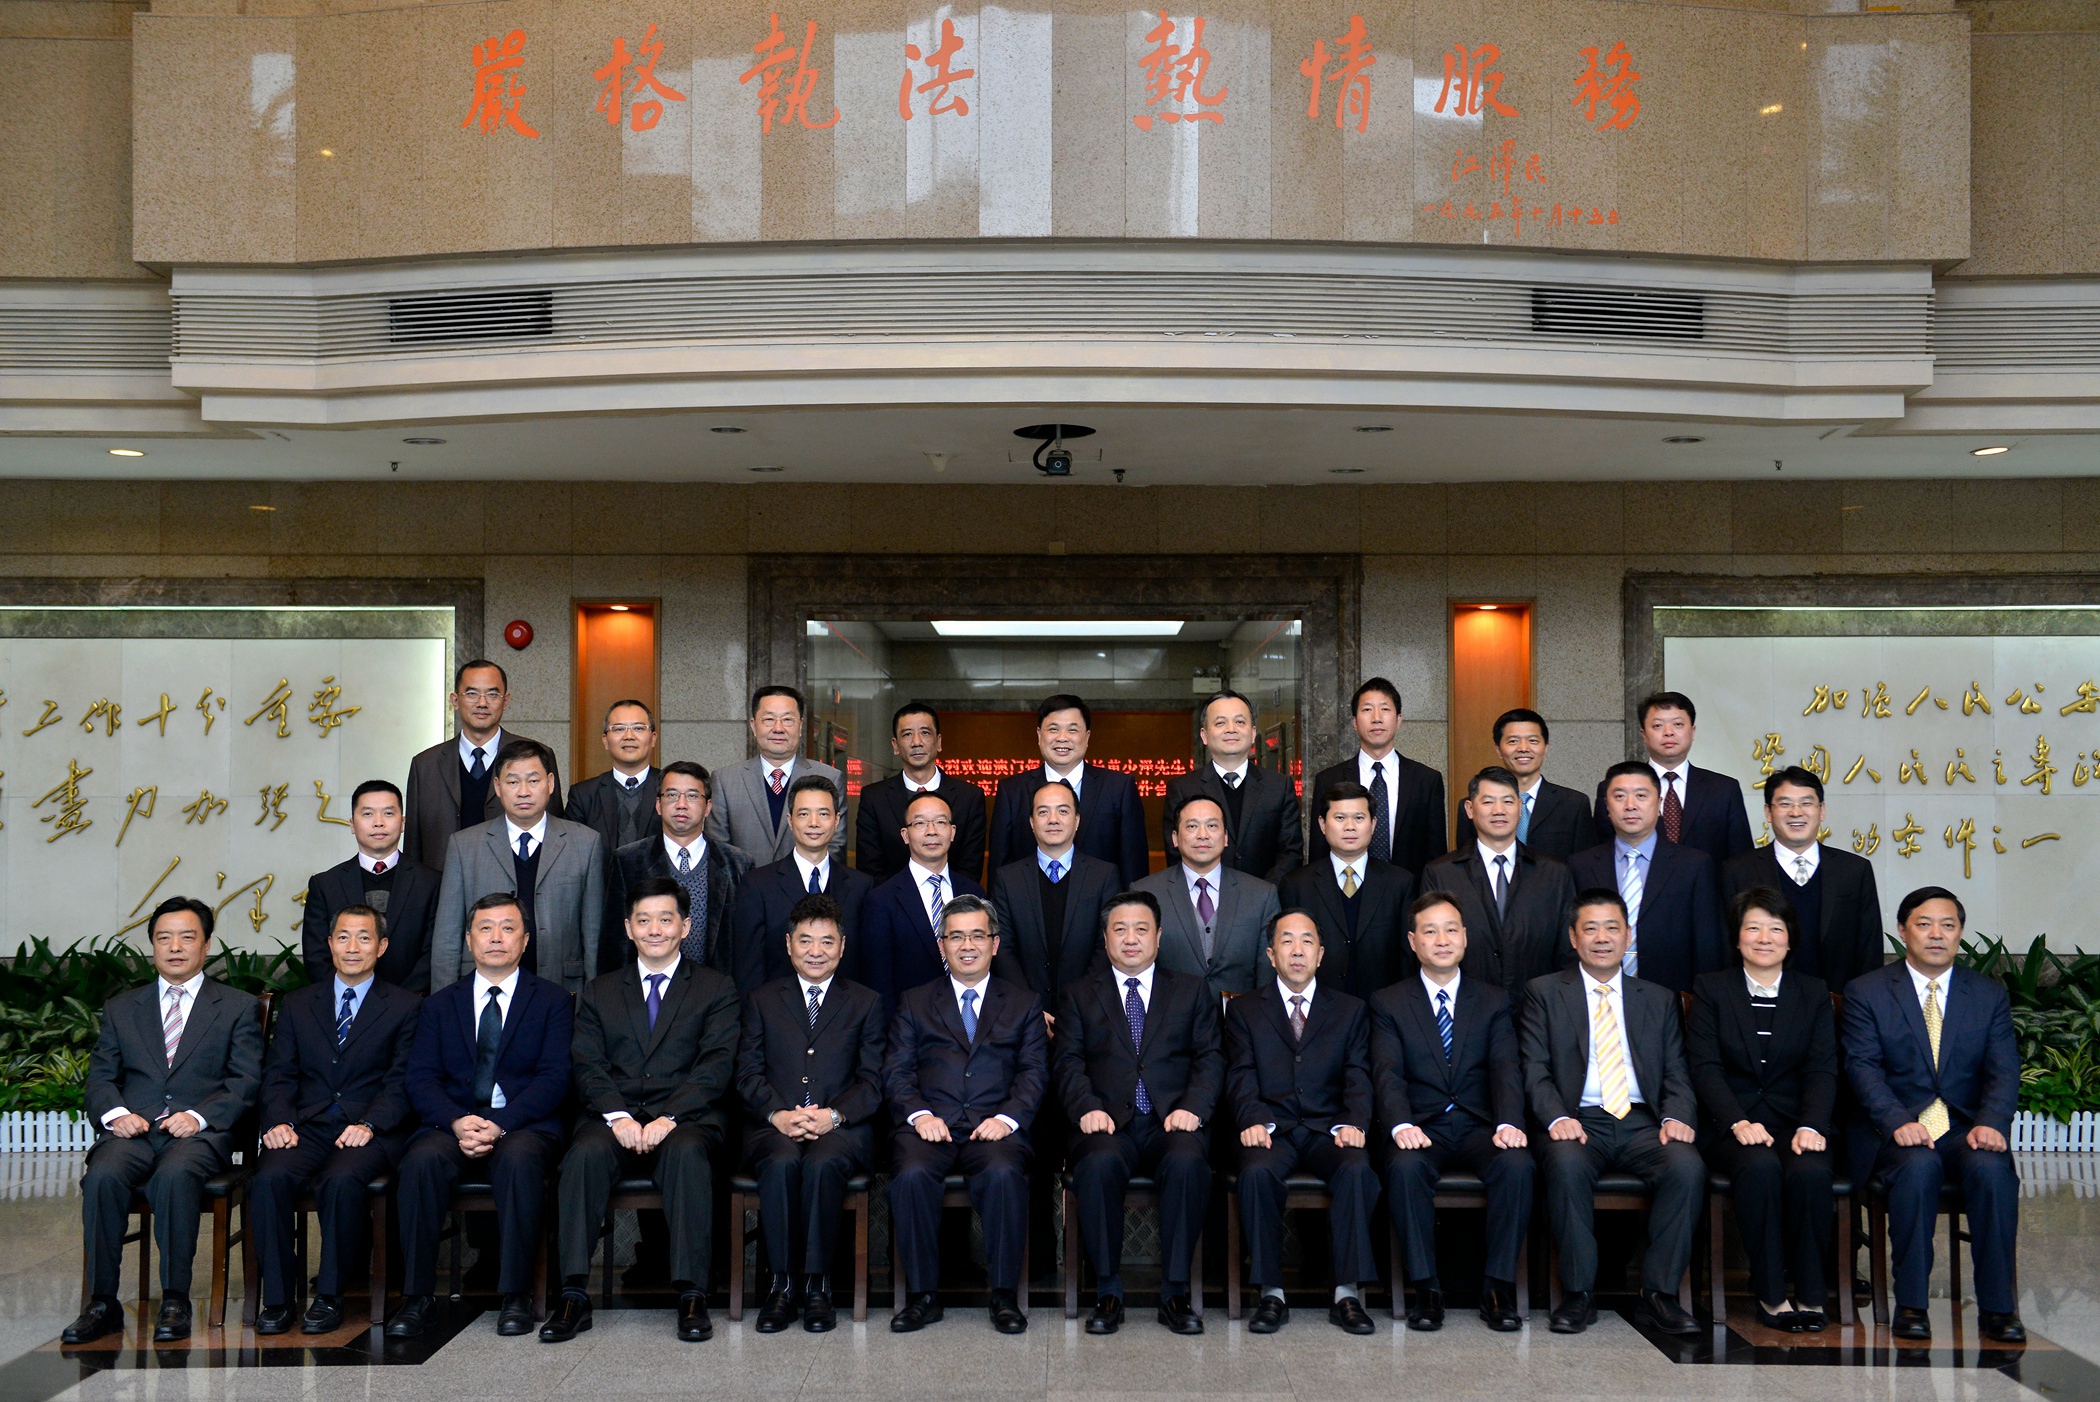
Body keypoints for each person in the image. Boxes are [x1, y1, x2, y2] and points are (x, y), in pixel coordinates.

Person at [540, 877, 740, 1344]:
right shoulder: (600, 990)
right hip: (615, 1117)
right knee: (583, 1156)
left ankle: (692, 1294)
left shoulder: (715, 988)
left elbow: (716, 1065)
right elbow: (587, 1063)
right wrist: (619, 1116)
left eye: (665, 919)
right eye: (643, 920)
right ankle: (573, 1294)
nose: (654, 929)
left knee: (688, 1154)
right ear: (628, 928)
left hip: (687, 1118)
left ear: (685, 926)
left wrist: (670, 1117)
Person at [66, 898, 264, 1345]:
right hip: (133, 1134)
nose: (175, 947)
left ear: (206, 945)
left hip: (197, 1137)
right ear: (152, 945)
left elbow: (246, 1080)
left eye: (187, 937)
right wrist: (117, 1115)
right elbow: (101, 1078)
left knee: (174, 1177)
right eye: (164, 938)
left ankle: (176, 1299)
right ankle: (102, 1303)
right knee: (102, 1177)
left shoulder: (236, 1006)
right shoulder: (122, 1008)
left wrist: (199, 1116)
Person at [1520, 889, 1704, 1337]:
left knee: (1687, 1167)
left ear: (1628, 935)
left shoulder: (1657, 998)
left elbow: (1677, 1071)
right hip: (1578, 1119)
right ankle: (1578, 1293)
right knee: (1565, 1165)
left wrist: (1676, 1116)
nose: (1602, 938)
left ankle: (1659, 1295)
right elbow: (1534, 1069)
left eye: (1612, 928)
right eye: (1591, 928)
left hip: (1643, 1122)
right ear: (1573, 937)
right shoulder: (1544, 993)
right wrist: (1556, 1118)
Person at [388, 894, 573, 1340]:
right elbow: (421, 1078)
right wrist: (456, 1121)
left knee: (519, 1161)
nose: (496, 938)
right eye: (485, 928)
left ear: (525, 941)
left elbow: (555, 1077)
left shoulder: (552, 1001)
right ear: (469, 940)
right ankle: (417, 1298)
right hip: (452, 1122)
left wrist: (502, 1122)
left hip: (522, 1124)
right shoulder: (438, 1004)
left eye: (508, 928)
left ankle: (516, 1295)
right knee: (421, 1162)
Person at [1842, 886, 2023, 1343]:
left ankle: (1999, 1308)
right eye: (1924, 925)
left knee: (1992, 1171)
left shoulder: (1987, 994)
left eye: (1948, 925)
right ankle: (1911, 1304)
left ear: (1960, 933)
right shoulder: (1867, 991)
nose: (1937, 935)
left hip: (1963, 1128)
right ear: (1903, 931)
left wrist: (1991, 1123)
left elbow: (2004, 1069)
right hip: (1893, 1130)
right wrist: (1897, 1121)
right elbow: (1862, 1067)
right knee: (1919, 1167)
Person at [1056, 891, 1221, 1337]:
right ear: (1105, 937)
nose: (1131, 939)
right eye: (1120, 929)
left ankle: (1175, 1293)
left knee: (1187, 1162)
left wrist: (1194, 1107)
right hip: (1106, 1123)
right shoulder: (1078, 994)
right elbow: (1067, 1062)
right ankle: (1108, 1291)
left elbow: (1210, 1058)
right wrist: (1086, 1107)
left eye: (1141, 929)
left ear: (1159, 936)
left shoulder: (1191, 990)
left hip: (1172, 1122)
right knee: (1098, 1163)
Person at [249, 905, 420, 1335]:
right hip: (307, 1125)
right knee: (268, 1179)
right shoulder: (299, 1003)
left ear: (381, 946)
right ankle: (277, 1300)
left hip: (368, 1129)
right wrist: (278, 1121)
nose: (352, 947)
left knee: (341, 1181)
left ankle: (330, 1295)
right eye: (343, 937)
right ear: (329, 945)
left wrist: (370, 1124)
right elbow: (279, 1073)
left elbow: (402, 1080)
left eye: (364, 937)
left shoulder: (406, 1006)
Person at [882, 895, 1046, 1335]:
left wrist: (1007, 1119)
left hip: (995, 1129)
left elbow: (1034, 1072)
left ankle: (1004, 1295)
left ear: (995, 943)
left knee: (1003, 1174)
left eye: (977, 935)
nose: (967, 945)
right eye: (956, 936)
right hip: (928, 1128)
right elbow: (897, 1070)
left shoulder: (1024, 1003)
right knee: (911, 1175)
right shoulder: (915, 1001)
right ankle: (923, 1296)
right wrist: (919, 1115)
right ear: (942, 945)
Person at [1371, 892, 1532, 1333]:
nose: (1442, 940)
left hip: (1481, 1126)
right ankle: (1426, 1289)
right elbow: (1387, 1072)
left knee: (1517, 1165)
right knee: (1405, 1168)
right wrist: (1400, 1124)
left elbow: (1506, 1067)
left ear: (1465, 937)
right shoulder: (1389, 1002)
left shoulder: (1493, 1000)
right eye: (1430, 931)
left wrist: (1509, 1122)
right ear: (1413, 941)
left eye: (1450, 930)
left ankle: (1497, 1289)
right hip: (1422, 1125)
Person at [1686, 887, 1838, 1332]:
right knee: (1760, 1167)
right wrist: (1737, 1120)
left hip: (1796, 1123)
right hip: (1731, 1125)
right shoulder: (1712, 989)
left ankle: (1811, 1292)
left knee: (1811, 1172)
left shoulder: (1812, 992)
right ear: (1737, 938)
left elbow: (1822, 1068)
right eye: (1753, 928)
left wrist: (1813, 1124)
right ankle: (1770, 1294)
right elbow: (1705, 1066)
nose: (1764, 938)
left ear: (1790, 940)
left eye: (1776, 929)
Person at [736, 895, 887, 1334]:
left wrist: (834, 1116)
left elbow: (873, 1080)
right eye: (805, 941)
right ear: (788, 945)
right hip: (774, 1127)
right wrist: (777, 1114)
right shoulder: (763, 999)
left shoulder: (865, 1002)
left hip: (840, 1129)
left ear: (842, 946)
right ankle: (781, 1287)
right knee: (781, 1162)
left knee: (822, 1163)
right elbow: (746, 1073)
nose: (815, 951)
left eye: (826, 941)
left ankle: (818, 1286)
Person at [1223, 911, 1378, 1336]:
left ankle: (1346, 1294)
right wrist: (1252, 1118)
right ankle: (1271, 1293)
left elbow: (1359, 1074)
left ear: (1321, 954)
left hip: (1328, 1129)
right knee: (1256, 1172)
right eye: (1286, 941)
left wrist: (1354, 1122)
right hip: (1272, 1129)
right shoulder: (1244, 1010)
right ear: (1271, 955)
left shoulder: (1349, 1009)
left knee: (1357, 1169)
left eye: (1307, 941)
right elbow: (1239, 1073)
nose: (1297, 950)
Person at [430, 738, 605, 992]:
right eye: (513, 782)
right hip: (483, 988)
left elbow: (593, 935)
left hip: (561, 987)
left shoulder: (585, 843)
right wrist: (444, 1003)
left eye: (533, 781)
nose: (523, 791)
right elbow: (447, 936)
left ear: (550, 783)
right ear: (498, 787)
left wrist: (593, 1003)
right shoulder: (464, 845)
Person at [1720, 766, 1884, 991]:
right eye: (1785, 804)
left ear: (1821, 810)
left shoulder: (1854, 870)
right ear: (1768, 812)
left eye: (1806, 803)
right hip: (1761, 999)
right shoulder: (1737, 871)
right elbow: (1727, 947)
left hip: (1837, 1002)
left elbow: (1869, 947)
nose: (1796, 812)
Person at [1567, 761, 1725, 995]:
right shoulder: (1580, 865)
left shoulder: (1693, 865)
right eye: (1619, 797)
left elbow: (1707, 944)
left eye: (1641, 796)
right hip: (1595, 996)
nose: (1630, 805)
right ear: (1607, 806)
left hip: (1671, 996)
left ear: (1659, 804)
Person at [1419, 766, 1577, 997]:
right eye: (1488, 802)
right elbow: (1429, 948)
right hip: (1468, 1005)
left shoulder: (1554, 874)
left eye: (1508, 802)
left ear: (1520, 808)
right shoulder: (1441, 873)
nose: (1499, 810)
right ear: (1470, 809)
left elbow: (1568, 952)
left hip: (1537, 1005)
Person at [404, 659, 562, 873]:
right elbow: (413, 846)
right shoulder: (425, 765)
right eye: (471, 693)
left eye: (492, 694)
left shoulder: (537, 755)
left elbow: (555, 832)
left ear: (506, 701)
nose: (482, 703)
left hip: (516, 884)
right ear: (455, 700)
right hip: (442, 884)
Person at [608, 760, 752, 977]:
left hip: (718, 989)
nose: (681, 804)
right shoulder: (628, 860)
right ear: (658, 805)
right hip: (648, 987)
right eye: (672, 795)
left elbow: (746, 943)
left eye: (692, 796)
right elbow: (615, 942)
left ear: (708, 807)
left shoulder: (738, 864)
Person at [988, 694, 1149, 885]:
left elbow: (1134, 867)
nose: (1062, 738)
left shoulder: (1119, 788)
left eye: (1072, 730)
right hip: (1029, 902)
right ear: (1039, 736)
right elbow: (999, 869)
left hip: (1103, 902)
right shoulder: (1012, 791)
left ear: (1087, 737)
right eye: (1053, 729)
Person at [732, 774, 873, 993]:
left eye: (823, 814)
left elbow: (866, 964)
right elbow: (748, 968)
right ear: (790, 820)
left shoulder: (860, 886)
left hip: (844, 1010)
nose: (814, 823)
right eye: (804, 814)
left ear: (836, 820)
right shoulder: (758, 885)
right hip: (776, 1009)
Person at [1135, 794, 1282, 997]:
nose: (1202, 835)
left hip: (1241, 1013)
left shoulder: (1261, 895)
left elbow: (1268, 973)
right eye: (1192, 826)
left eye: (1212, 826)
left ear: (1226, 837)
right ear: (1175, 838)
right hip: (1170, 1013)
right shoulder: (1145, 893)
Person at [989, 779, 1119, 1007]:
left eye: (1063, 811)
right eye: (1043, 812)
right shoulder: (1007, 879)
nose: (1053, 819)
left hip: (1089, 1007)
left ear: (1077, 821)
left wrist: (1078, 1006)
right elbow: (1003, 948)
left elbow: (1106, 945)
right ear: (1031, 822)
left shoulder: (1104, 876)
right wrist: (1030, 1007)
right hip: (1024, 1011)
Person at [300, 778, 439, 991]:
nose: (378, 822)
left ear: (402, 822)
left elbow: (434, 952)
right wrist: (352, 996)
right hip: (345, 1004)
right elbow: (316, 957)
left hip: (412, 1003)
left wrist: (401, 1001)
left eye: (388, 813)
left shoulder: (430, 882)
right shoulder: (326, 885)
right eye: (367, 814)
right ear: (352, 824)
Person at [1278, 781, 1413, 999]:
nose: (1350, 826)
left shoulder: (1400, 883)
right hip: (1319, 1008)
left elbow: (1407, 958)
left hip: (1383, 1007)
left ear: (1373, 824)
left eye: (1359, 818)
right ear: (1322, 824)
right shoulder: (1296, 885)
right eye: (1340, 818)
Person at [860, 791, 988, 1015]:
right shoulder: (881, 900)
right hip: (910, 1026)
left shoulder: (974, 892)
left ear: (952, 832)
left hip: (970, 1020)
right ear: (905, 835)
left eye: (940, 822)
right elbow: (879, 983)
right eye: (920, 823)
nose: (931, 831)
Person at [1591, 691, 1752, 866]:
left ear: (1692, 731)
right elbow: (1600, 855)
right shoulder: (1612, 789)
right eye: (1658, 726)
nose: (1668, 732)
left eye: (1678, 724)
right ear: (1643, 734)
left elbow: (1741, 861)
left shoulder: (1724, 789)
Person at [1306, 677, 1447, 878]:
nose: (1377, 718)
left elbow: (1436, 855)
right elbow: (1319, 852)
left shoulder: (1426, 780)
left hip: (1410, 892)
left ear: (1398, 720)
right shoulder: (1329, 780)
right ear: (1355, 722)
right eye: (1367, 709)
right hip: (1345, 888)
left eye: (1385, 709)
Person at [1163, 689, 1302, 883]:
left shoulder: (1279, 786)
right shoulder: (1182, 789)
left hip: (1267, 896)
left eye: (1240, 722)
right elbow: (1176, 853)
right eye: (1220, 723)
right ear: (1204, 735)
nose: (1231, 729)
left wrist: (1264, 893)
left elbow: (1291, 852)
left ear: (1253, 733)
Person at [704, 685, 845, 865]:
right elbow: (719, 852)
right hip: (746, 882)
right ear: (754, 725)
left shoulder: (831, 777)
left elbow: (835, 846)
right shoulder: (725, 780)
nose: (778, 728)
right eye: (769, 719)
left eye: (787, 720)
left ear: (800, 726)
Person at [854, 702, 987, 885]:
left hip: (953, 900)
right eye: (907, 734)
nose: (917, 742)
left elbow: (970, 869)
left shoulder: (969, 797)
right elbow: (870, 869)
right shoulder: (874, 798)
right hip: (892, 900)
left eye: (925, 733)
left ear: (939, 742)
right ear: (895, 745)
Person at [1453, 708, 1591, 862]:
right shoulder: (1475, 805)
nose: (1523, 748)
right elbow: (1464, 864)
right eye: (1513, 741)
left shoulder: (1574, 804)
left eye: (1533, 741)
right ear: (1498, 750)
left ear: (1546, 748)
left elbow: (1584, 864)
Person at [562, 699, 662, 855]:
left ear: (653, 738)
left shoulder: (670, 789)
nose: (629, 736)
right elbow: (573, 854)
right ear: (605, 741)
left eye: (638, 728)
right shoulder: (583, 795)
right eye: (619, 729)